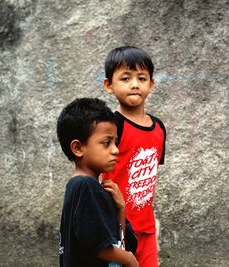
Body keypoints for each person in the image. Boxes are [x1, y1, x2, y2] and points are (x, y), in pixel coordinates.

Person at [102, 46, 166, 267]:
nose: (135, 84)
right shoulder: (110, 127)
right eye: (126, 78)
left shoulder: (158, 129)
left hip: (146, 229)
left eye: (142, 78)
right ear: (109, 85)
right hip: (114, 227)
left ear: (151, 85)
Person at [57, 97, 138, 267]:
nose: (116, 150)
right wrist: (129, 260)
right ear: (78, 148)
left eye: (116, 142)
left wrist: (121, 208)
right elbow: (99, 247)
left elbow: (119, 243)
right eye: (106, 143)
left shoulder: (86, 187)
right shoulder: (86, 187)